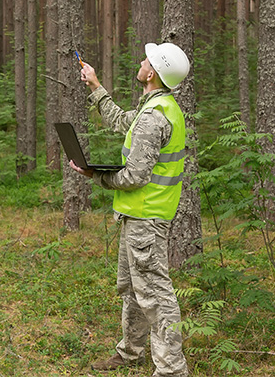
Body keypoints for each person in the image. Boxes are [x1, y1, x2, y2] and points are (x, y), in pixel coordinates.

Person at [69, 42, 190, 377]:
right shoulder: (155, 106)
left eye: (147, 59)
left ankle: (171, 370)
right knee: (133, 289)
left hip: (147, 218)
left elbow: (135, 176)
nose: (141, 60)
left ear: (152, 73)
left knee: (155, 294)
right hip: (138, 216)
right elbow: (122, 121)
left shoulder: (155, 116)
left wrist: (96, 175)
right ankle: (131, 352)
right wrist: (95, 85)